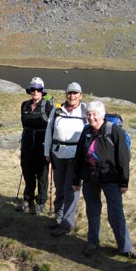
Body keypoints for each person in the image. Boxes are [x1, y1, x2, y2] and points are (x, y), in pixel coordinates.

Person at [72, 100, 136, 258]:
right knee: (93, 211)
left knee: (116, 213)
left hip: (111, 179)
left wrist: (124, 182)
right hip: (90, 178)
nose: (91, 117)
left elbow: (123, 158)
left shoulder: (114, 131)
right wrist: (76, 179)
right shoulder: (86, 132)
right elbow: (79, 156)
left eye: (94, 114)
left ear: (101, 115)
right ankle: (93, 242)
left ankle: (125, 247)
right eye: (88, 114)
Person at [44, 82, 87, 236]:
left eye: (75, 93)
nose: (72, 96)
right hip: (58, 154)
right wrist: (47, 152)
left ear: (80, 95)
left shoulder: (85, 112)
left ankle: (67, 222)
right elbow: (49, 131)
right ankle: (59, 217)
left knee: (72, 189)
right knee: (60, 186)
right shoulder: (57, 110)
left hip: (76, 157)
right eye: (69, 93)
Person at [19, 77, 54, 215]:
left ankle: (41, 201)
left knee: (42, 175)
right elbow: (24, 124)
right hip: (27, 145)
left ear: (42, 91)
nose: (35, 92)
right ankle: (28, 199)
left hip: (42, 146)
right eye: (33, 89)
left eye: (38, 89)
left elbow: (51, 127)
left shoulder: (48, 107)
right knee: (27, 172)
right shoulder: (24, 105)